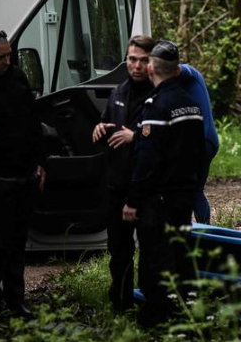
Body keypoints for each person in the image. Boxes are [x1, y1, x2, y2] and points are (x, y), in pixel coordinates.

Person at [122, 41, 204, 327]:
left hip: (159, 201)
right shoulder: (192, 105)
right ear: (178, 70)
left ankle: (155, 320)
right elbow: (198, 151)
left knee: (155, 260)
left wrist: (132, 200)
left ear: (150, 69)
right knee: (181, 256)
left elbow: (148, 159)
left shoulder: (156, 106)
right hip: (184, 196)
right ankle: (183, 316)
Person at [0, 30, 45, 319]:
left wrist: (41, 162)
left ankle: (17, 301)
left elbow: (33, 120)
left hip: (25, 173)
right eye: (0, 57)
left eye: (9, 56)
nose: (6, 61)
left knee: (17, 242)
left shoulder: (17, 77)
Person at [92, 35, 155, 313]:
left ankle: (151, 308)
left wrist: (136, 137)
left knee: (151, 250)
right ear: (126, 60)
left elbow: (167, 141)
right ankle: (121, 304)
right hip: (117, 184)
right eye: (132, 59)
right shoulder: (118, 92)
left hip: (148, 188)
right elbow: (107, 123)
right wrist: (99, 129)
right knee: (118, 249)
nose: (137, 66)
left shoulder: (159, 95)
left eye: (143, 60)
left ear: (152, 62)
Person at [179, 64, 219, 224]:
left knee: (186, 190)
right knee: (195, 191)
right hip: (204, 140)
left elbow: (185, 71)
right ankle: (203, 230)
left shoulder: (188, 73)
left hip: (201, 141)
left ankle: (196, 231)